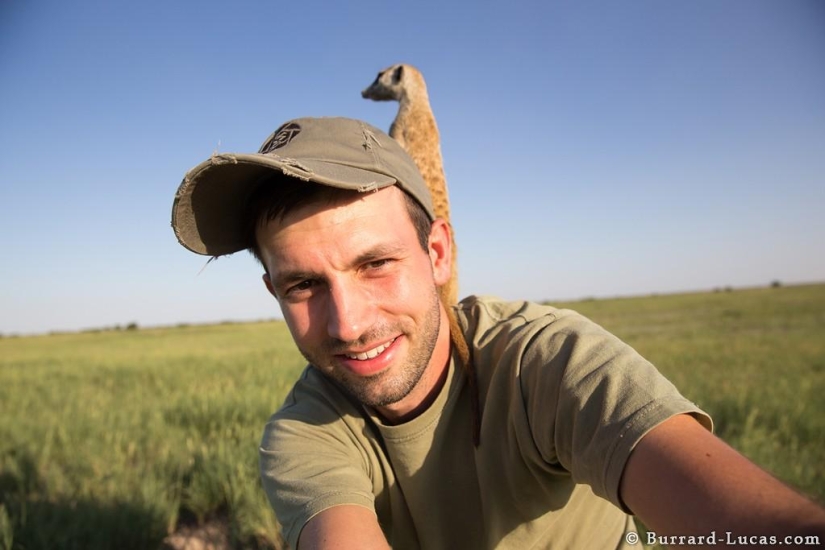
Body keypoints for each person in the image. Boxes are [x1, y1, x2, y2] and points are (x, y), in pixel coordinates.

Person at [172, 116, 825, 549]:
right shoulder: (304, 432)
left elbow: (754, 527)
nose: (348, 324)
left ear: (437, 254)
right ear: (273, 293)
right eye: (303, 285)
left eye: (375, 264)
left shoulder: (545, 360)